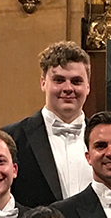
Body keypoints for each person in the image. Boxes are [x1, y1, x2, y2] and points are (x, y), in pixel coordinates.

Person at [5, 41, 94, 208]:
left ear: (88, 87)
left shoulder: (104, 140)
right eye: (59, 80)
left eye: (76, 81)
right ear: (43, 83)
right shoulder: (12, 138)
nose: (68, 88)